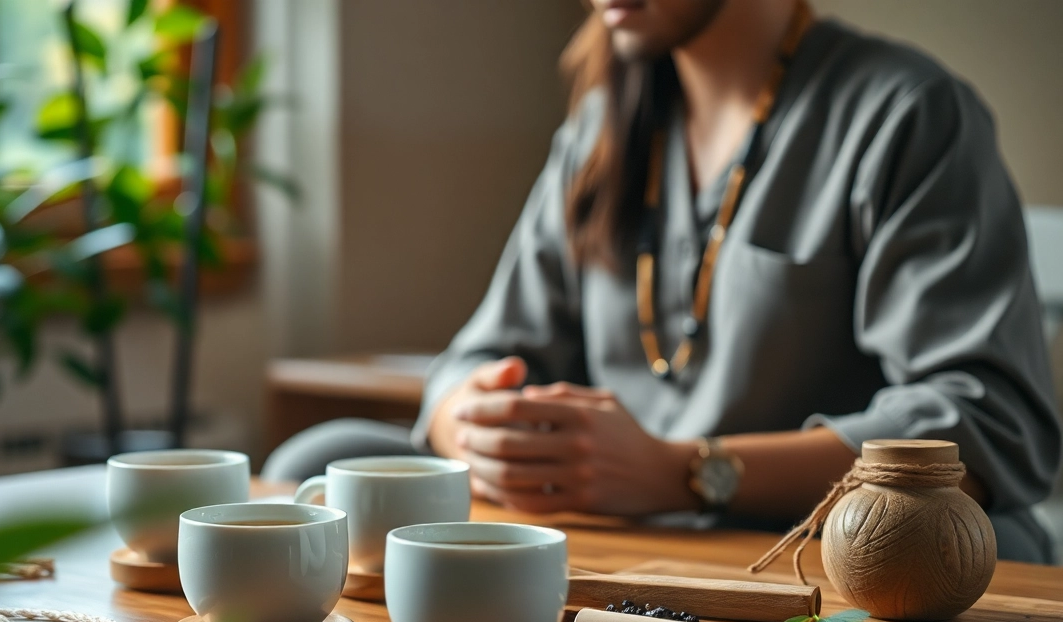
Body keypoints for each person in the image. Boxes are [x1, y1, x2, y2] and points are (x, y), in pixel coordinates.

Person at [263, 0, 1060, 563]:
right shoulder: (600, 130)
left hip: (799, 540)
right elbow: (476, 357)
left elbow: (988, 420)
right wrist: (470, 423)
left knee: (997, 542)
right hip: (612, 529)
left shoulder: (905, 114)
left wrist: (686, 472)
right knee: (324, 455)